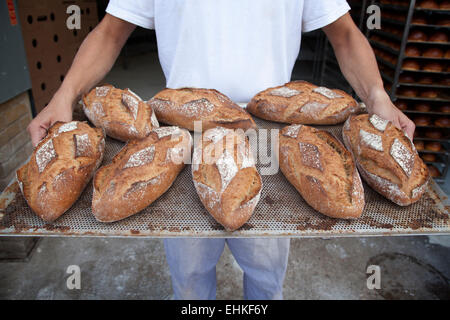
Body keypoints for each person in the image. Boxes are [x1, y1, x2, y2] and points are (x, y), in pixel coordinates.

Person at [27, 1, 415, 299]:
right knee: (191, 277)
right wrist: (64, 96)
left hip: (271, 138)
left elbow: (345, 34)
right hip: (178, 137)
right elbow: (111, 31)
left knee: (265, 273)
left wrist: (377, 96)